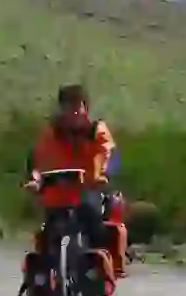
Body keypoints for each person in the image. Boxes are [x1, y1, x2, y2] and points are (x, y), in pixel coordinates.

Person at [22, 84, 116, 254]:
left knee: (95, 228)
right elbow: (38, 161)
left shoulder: (96, 132)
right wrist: (35, 180)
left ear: (85, 109)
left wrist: (101, 175)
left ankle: (96, 268)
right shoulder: (51, 134)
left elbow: (107, 154)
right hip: (59, 199)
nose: (73, 113)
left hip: (89, 194)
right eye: (67, 107)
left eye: (76, 107)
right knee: (47, 238)